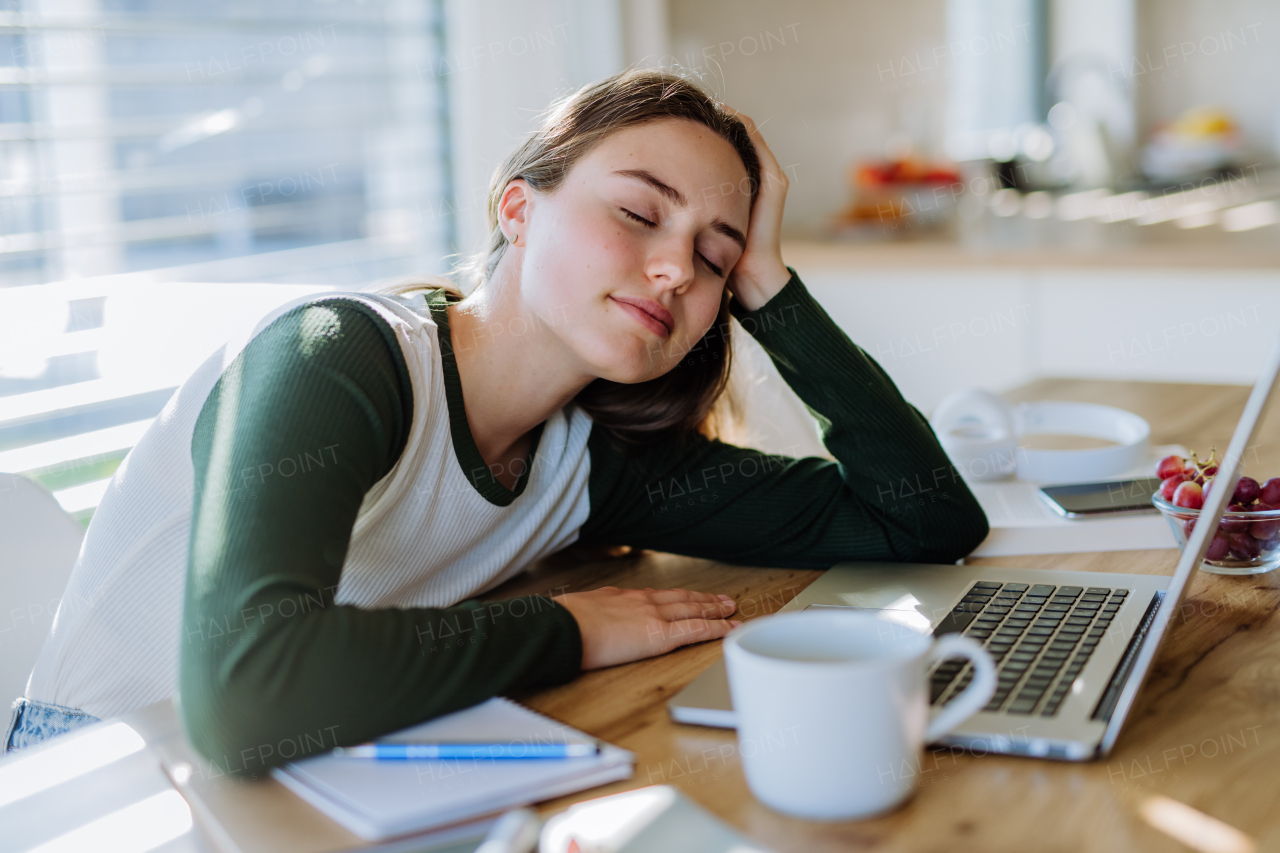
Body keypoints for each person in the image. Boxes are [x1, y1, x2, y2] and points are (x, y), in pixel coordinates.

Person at [8, 69, 988, 767]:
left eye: (715, 256)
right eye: (640, 214)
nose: (675, 270)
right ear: (518, 208)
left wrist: (771, 283)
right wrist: (570, 628)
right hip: (101, 777)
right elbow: (244, 694)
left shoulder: (591, 461)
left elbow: (923, 521)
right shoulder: (333, 355)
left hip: (318, 769)